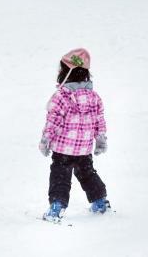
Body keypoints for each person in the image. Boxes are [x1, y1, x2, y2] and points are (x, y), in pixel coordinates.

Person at [39, 48, 110, 222]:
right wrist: (100, 139)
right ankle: (100, 201)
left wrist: (45, 140)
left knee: (60, 177)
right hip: (84, 149)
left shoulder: (61, 97)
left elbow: (53, 121)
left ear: (66, 72)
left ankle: (57, 206)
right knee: (87, 174)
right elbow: (99, 121)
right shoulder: (95, 98)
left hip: (63, 150)